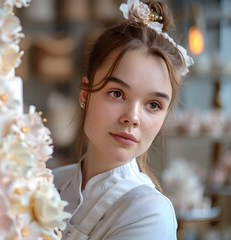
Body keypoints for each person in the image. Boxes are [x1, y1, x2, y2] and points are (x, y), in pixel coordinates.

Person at [53, 0, 194, 239]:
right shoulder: (49, 182)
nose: (132, 118)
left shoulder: (149, 214)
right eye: (117, 94)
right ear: (85, 93)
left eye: (153, 105)